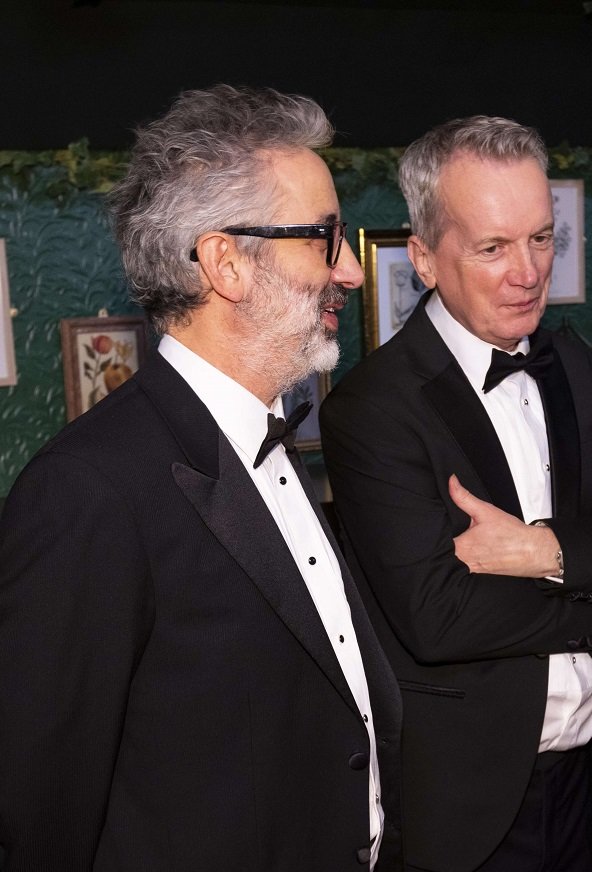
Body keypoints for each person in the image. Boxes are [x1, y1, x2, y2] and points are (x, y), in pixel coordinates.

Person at [0, 85, 403, 871]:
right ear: (226, 263)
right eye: (324, 238)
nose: (351, 270)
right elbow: (42, 814)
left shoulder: (273, 442)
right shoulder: (87, 493)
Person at [320, 115, 592, 872]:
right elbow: (437, 617)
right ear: (423, 258)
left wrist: (538, 550)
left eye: (541, 238)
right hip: (465, 805)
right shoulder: (373, 407)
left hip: (580, 777)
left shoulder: (574, 367)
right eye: (493, 247)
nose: (528, 271)